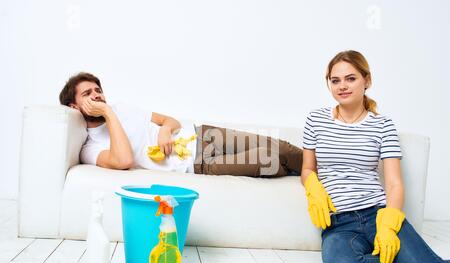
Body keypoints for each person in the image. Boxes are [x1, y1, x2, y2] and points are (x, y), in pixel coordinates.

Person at [301, 50, 450, 263]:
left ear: (366, 80)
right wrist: (312, 186)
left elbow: (393, 184)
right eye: (335, 80)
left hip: (379, 216)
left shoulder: (383, 125)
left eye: (351, 78)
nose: (342, 86)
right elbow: (307, 169)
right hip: (338, 224)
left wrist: (390, 223)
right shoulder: (315, 120)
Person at [59, 72, 302, 178]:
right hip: (199, 164)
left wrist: (165, 131)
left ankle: (327, 172)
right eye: (88, 94)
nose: (98, 96)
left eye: (99, 91)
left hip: (204, 135)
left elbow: (169, 120)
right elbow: (123, 161)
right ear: (74, 106)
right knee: (267, 158)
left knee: (281, 147)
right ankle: (297, 172)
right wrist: (108, 113)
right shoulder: (90, 148)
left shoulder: (123, 107)